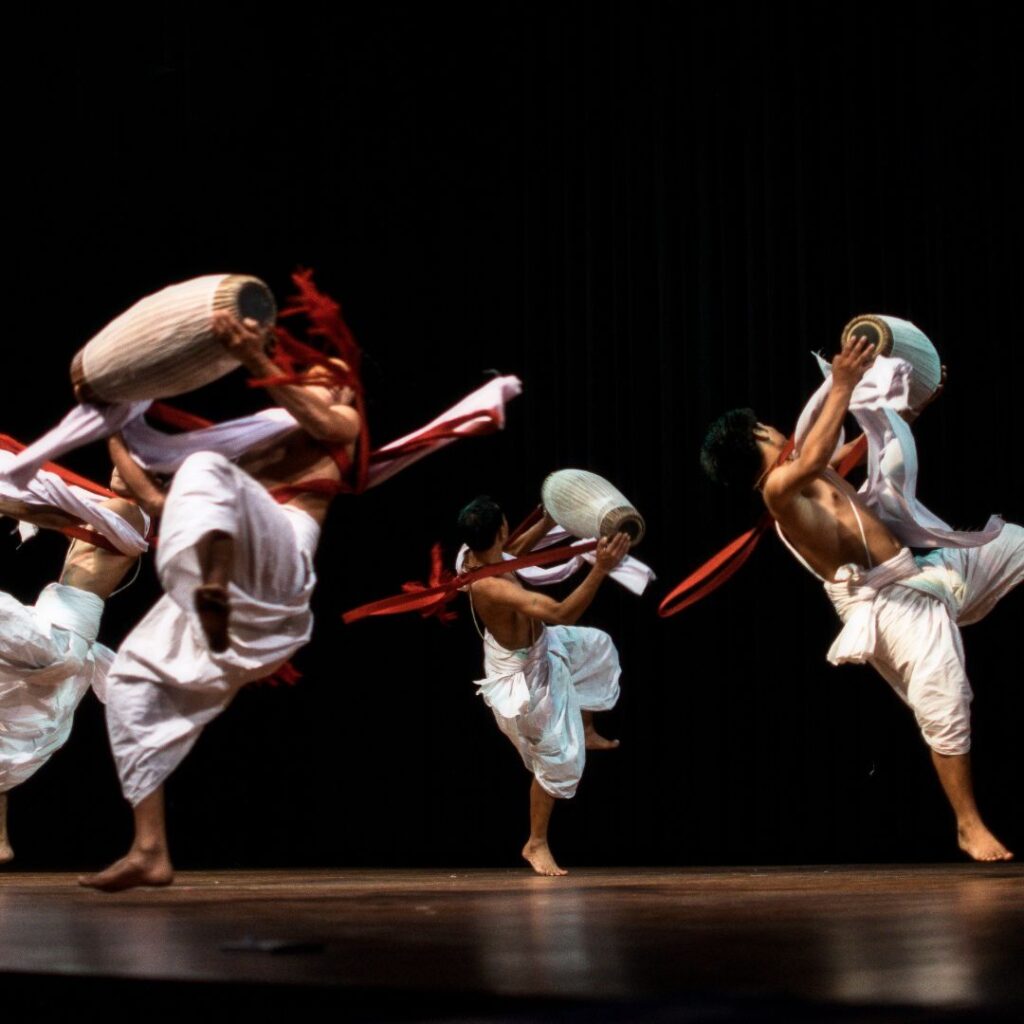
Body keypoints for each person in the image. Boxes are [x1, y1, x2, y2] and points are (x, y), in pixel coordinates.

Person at [700, 333, 1021, 862]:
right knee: (945, 698)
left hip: (925, 571)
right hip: (888, 607)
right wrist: (842, 383)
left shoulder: (808, 468)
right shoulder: (779, 490)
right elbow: (819, 451)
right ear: (756, 435)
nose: (777, 426)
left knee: (1018, 546)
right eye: (766, 425)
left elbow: (867, 446)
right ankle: (969, 825)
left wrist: (914, 405)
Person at [80, 312, 361, 891]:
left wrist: (258, 361)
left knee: (204, 469)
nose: (314, 380)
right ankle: (150, 848)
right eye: (307, 373)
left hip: (279, 569)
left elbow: (327, 425)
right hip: (237, 598)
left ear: (343, 388)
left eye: (323, 375)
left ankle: (209, 586)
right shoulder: (252, 446)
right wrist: (112, 430)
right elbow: (159, 506)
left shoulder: (342, 421)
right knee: (129, 678)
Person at [457, 496, 630, 876]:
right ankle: (536, 842)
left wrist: (547, 518)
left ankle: (585, 727)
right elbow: (559, 611)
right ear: (500, 529)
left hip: (540, 645)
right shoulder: (491, 587)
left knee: (597, 647)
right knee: (557, 759)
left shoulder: (479, 555)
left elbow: (513, 552)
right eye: (508, 523)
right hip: (523, 678)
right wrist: (600, 569)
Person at [0, 482, 145, 864]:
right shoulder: (101, 510)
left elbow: (58, 515)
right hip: (54, 633)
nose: (118, 468)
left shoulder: (129, 514)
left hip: (63, 638)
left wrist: (11, 504)